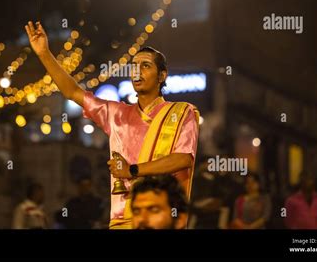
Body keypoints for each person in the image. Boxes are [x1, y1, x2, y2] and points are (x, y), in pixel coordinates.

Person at [25, 21, 200, 229]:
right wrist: (44, 53)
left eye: (145, 66)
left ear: (162, 75)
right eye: (134, 66)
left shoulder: (181, 112)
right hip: (121, 220)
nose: (137, 72)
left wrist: (132, 170)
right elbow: (72, 92)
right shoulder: (116, 114)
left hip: (160, 220)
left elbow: (183, 159)